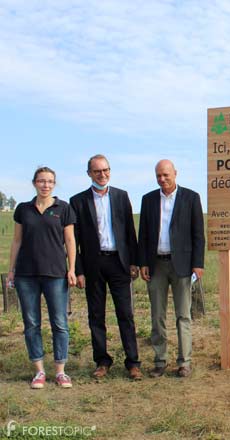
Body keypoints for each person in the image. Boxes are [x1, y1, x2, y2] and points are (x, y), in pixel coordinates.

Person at [70, 154, 142, 380]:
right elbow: (76, 240)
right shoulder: (78, 201)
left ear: (110, 171)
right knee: (96, 315)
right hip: (93, 265)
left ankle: (133, 363)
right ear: (89, 173)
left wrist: (134, 261)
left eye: (106, 170)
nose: (102, 175)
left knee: (125, 314)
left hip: (119, 263)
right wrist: (79, 270)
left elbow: (130, 232)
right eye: (97, 171)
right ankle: (102, 361)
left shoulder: (121, 196)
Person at [7, 167, 77, 389]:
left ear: (54, 184)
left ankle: (60, 371)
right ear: (34, 183)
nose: (45, 185)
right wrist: (11, 270)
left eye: (50, 182)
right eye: (41, 181)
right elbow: (17, 241)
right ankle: (39, 372)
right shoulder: (23, 209)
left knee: (60, 323)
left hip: (56, 274)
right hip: (26, 274)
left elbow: (70, 241)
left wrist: (72, 269)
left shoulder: (63, 208)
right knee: (31, 323)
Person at [138, 159, 205, 378]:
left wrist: (198, 264)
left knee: (183, 315)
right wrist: (143, 263)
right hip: (156, 265)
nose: (162, 179)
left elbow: (198, 234)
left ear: (175, 173)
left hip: (182, 266)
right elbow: (144, 235)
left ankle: (184, 362)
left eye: (166, 175)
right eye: (158, 175)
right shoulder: (148, 200)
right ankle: (160, 361)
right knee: (157, 316)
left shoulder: (191, 198)